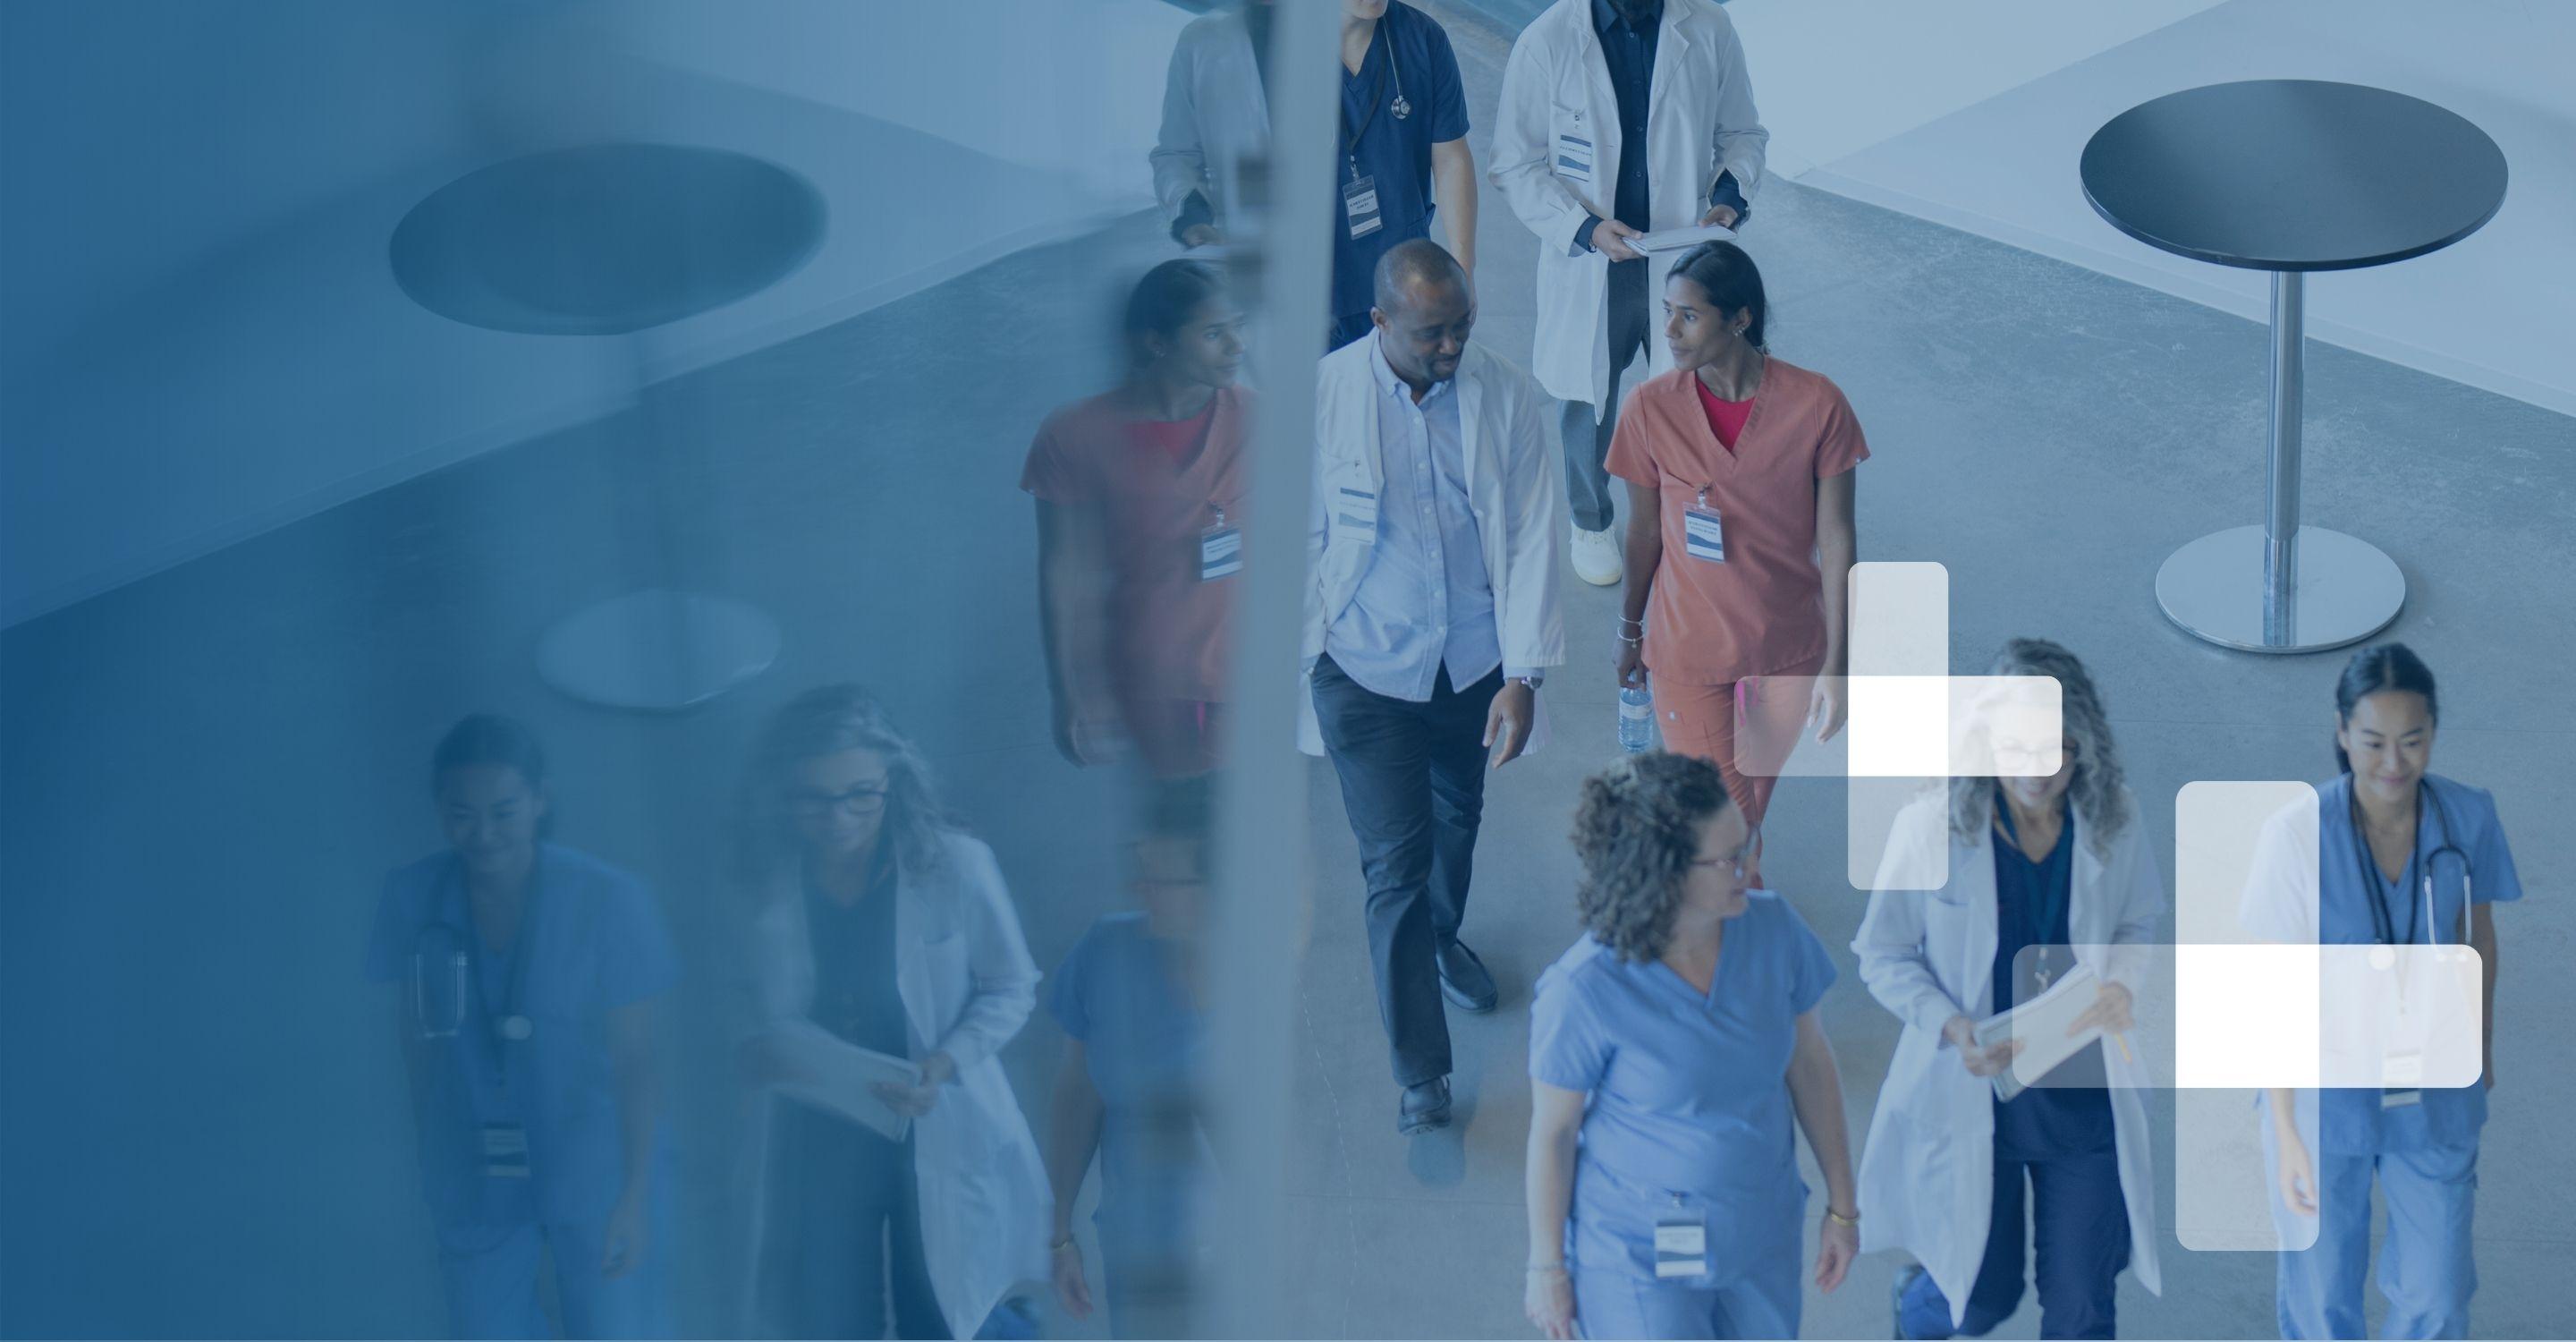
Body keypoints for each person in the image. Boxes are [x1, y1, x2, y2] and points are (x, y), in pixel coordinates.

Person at [1304, 238, 1563, 1134]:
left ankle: (1442, 937)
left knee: (1459, 817)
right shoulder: (1323, 397)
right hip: (1364, 670)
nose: (1452, 350)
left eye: (1462, 329)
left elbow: (1533, 535)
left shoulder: (1506, 395)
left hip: (1470, 666)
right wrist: (1309, 648)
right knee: (1394, 869)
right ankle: (1422, 1073)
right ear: (1380, 322)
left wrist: (1524, 673)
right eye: (1430, 336)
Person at [1851, 641, 2165, 1339]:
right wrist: (1948, 1023)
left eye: (2055, 749)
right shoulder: (1932, 827)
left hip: (2080, 1101)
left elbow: (2139, 921)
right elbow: (1883, 952)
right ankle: (1919, 1305)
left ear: (2082, 745)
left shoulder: (2115, 818)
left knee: (2085, 1310)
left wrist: (2123, 983)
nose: (2035, 769)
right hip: (1976, 1094)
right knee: (1982, 1300)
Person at [728, 686, 1049, 1340]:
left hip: (933, 1122)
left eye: (860, 795)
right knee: (826, 1317)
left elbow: (1012, 986)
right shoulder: (766, 880)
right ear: (782, 792)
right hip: (818, 1132)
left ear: (893, 784)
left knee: (938, 1311)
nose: (839, 817)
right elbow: (744, 1003)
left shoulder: (954, 865)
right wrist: (757, 1048)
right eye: (813, 798)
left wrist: (944, 1061)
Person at [1523, 752, 1857, 1340]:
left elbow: (1810, 1063)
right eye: (1729, 859)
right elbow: (1552, 1134)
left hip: (1759, 1228)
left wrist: (1842, 1206)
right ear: (1665, 872)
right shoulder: (1583, 991)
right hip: (1637, 1251)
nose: (1749, 868)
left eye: (1747, 843)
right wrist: (1546, 1265)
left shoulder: (1774, 930)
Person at [364, 714, 677, 1339]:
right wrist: (428, 1169)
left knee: (618, 1329)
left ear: (541, 800)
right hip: (471, 1172)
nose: (482, 834)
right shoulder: (411, 897)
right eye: (461, 813)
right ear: (438, 809)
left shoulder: (609, 900)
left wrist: (636, 1194)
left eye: (503, 811)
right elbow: (415, 1050)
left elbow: (636, 1060)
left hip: (593, 1167)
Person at [2241, 644, 2518, 1339]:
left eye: (2412, 740)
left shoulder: (2468, 819)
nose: (2393, 763)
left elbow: (2478, 938)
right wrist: (2283, 1130)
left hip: (2434, 1084)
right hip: (2321, 1094)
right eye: (2373, 742)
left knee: (2439, 1292)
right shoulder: (2296, 835)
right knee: (2321, 1297)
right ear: (2341, 733)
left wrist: (2480, 1048)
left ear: (2433, 735)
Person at [1606, 240, 1861, 880]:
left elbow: (1837, 538)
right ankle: (1734, 932)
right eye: (1666, 311)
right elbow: (1643, 535)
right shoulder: (1648, 407)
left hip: (1787, 652)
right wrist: (1629, 630)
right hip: (1688, 651)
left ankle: (1727, 913)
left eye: (1688, 315)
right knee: (1724, 823)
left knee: (1744, 817)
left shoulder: (1817, 405)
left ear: (1740, 319)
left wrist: (1839, 664)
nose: (1668, 330)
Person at [1490, 0, 1767, 587]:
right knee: (1585, 403)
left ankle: (1687, 514)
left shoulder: (1708, 26)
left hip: (1681, 252)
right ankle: (1590, 519)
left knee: (1692, 395)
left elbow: (1742, 134)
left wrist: (1729, 195)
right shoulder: (1548, 41)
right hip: (1592, 258)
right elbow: (1516, 163)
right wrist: (1585, 229)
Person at [1023, 260, 1249, 777]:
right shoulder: (1076, 437)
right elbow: (1065, 572)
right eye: (1215, 333)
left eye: (1239, 326)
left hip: (1247, 676)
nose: (1237, 345)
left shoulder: (1261, 419)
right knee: (1179, 829)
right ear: (1157, 343)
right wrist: (1071, 691)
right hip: (1150, 677)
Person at [1044, 786, 1215, 1338]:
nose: (1142, 892)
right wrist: (1059, 1233)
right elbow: (1079, 1093)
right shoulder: (1106, 951)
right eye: (1141, 871)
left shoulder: (1255, 980)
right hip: (1135, 1255)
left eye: (1162, 880)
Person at [1325, 0, 1478, 350]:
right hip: (1312, 281)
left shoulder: (1423, 40)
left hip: (1403, 278)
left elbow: (1451, 157)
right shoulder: (1278, 45)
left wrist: (1463, 266)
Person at [1151, 1, 1274, 251]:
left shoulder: (1348, 28)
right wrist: (1193, 216)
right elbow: (1176, 155)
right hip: (1251, 250)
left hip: (1347, 240)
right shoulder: (1201, 41)